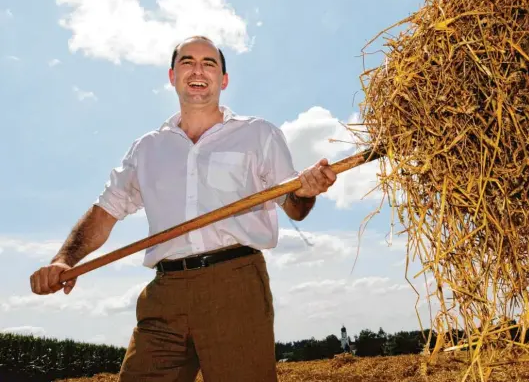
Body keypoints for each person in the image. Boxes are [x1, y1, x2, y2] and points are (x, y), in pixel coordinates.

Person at [29, 35, 337, 381]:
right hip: (165, 292)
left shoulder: (258, 134)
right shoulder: (147, 149)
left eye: (209, 63)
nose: (197, 70)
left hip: (234, 285)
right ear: (172, 75)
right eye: (187, 62)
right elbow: (104, 212)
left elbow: (295, 208)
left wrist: (307, 190)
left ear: (223, 79)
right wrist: (64, 259)